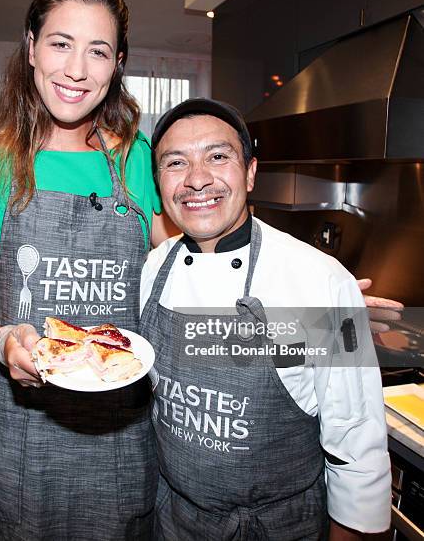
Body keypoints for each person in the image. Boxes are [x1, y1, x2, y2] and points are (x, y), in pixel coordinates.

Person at [0, 0, 165, 540]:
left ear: (118, 64)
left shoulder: (137, 158)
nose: (76, 70)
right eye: (61, 44)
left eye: (98, 51)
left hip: (121, 438)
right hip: (20, 438)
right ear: (32, 46)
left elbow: (185, 267)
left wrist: (309, 296)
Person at [140, 98, 391, 540]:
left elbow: (357, 446)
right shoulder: (154, 268)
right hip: (174, 522)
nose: (197, 179)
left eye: (218, 157)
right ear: (159, 182)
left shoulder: (323, 282)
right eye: (176, 162)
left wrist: (337, 319)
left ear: (251, 172)